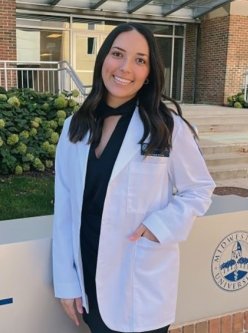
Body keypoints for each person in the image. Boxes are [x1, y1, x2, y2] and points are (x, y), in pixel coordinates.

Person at [52, 22, 215, 333]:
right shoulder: (75, 126)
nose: (125, 67)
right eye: (117, 54)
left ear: (150, 72)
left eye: (140, 60)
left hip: (139, 282)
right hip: (87, 278)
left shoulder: (167, 127)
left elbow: (199, 189)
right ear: (103, 60)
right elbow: (65, 207)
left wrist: (159, 228)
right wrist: (66, 280)